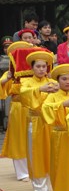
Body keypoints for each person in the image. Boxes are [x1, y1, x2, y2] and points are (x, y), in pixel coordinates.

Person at [20, 49, 59, 191]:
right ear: (32, 68)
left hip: (51, 123)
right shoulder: (27, 82)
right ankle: (40, 188)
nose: (42, 69)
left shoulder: (53, 83)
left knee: (51, 153)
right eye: (38, 66)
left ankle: (53, 184)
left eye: (44, 67)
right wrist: (39, 90)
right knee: (36, 154)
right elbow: (23, 95)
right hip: (35, 122)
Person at [0, 41, 33, 181]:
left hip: (34, 109)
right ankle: (22, 172)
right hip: (18, 108)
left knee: (34, 139)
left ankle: (36, 168)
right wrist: (7, 78)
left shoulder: (36, 69)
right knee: (18, 139)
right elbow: (3, 86)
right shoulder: (11, 72)